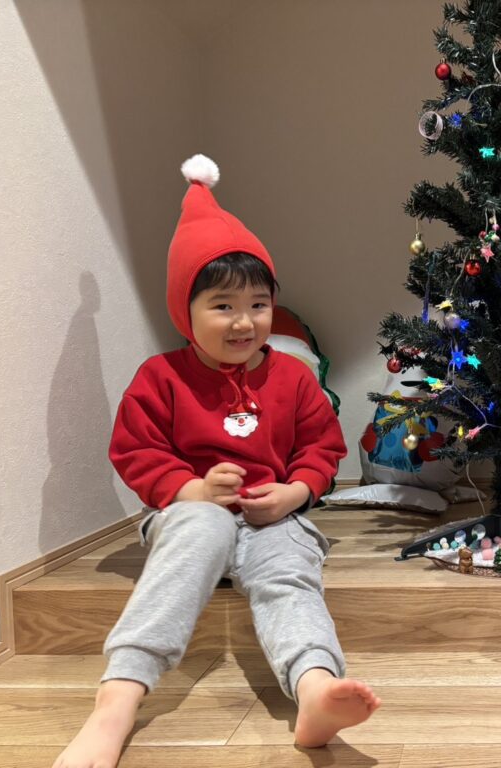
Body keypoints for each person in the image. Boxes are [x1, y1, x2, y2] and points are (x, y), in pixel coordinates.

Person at [54, 155, 379, 768]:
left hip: (270, 519)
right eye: (223, 305)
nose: (244, 321)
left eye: (259, 304)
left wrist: (295, 493)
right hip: (189, 519)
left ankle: (315, 687)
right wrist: (190, 490)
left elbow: (322, 448)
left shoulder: (294, 378)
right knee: (203, 525)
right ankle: (117, 699)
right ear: (186, 312)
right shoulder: (160, 378)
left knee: (288, 568)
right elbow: (135, 449)